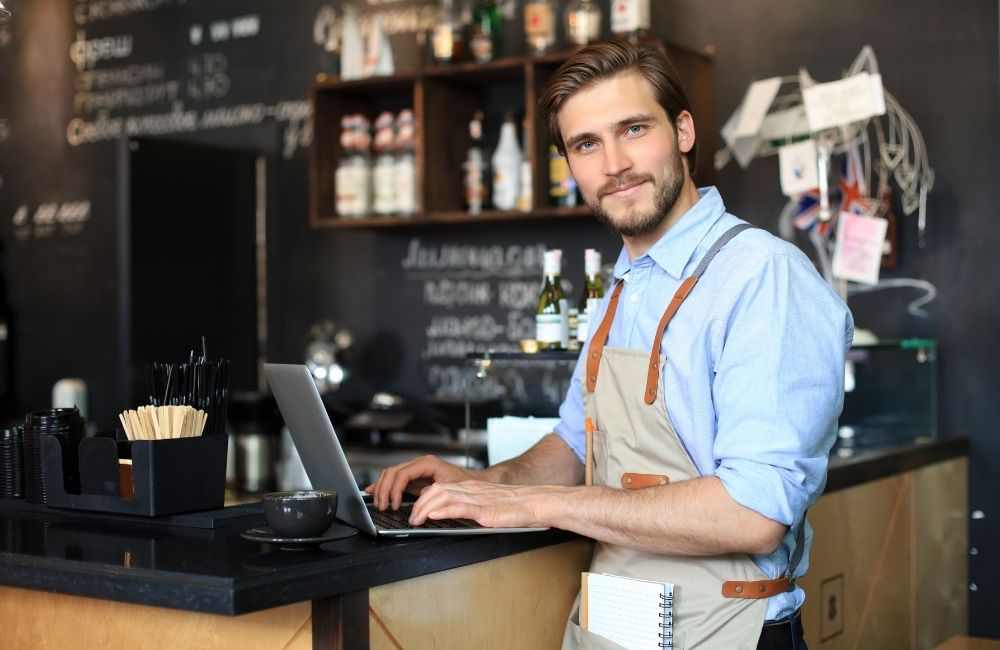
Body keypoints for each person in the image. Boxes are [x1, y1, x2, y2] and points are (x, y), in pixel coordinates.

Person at [368, 40, 853, 649]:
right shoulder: (622, 289)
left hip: (728, 632)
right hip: (614, 628)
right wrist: (481, 485)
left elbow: (754, 513)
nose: (614, 163)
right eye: (586, 144)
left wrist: (539, 504)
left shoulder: (762, 276)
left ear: (682, 130)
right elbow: (573, 444)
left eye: (633, 129)